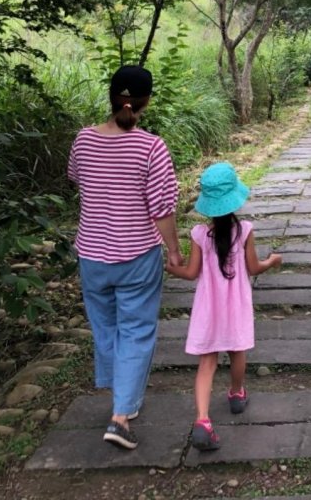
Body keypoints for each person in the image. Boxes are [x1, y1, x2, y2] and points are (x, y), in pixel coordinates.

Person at [68, 64, 181, 451]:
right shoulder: (151, 147)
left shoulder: (83, 140)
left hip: (92, 256)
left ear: (112, 96)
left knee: (106, 328)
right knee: (136, 329)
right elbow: (162, 209)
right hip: (136, 255)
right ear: (146, 102)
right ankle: (120, 417)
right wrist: (176, 250)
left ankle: (122, 399)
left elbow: (77, 179)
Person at [166, 162, 282, 450]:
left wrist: (170, 269)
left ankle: (203, 419)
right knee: (237, 351)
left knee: (206, 363)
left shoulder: (198, 234)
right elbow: (253, 268)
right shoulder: (244, 231)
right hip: (235, 307)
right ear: (234, 199)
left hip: (208, 309)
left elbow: (191, 273)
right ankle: (236, 393)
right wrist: (272, 261)